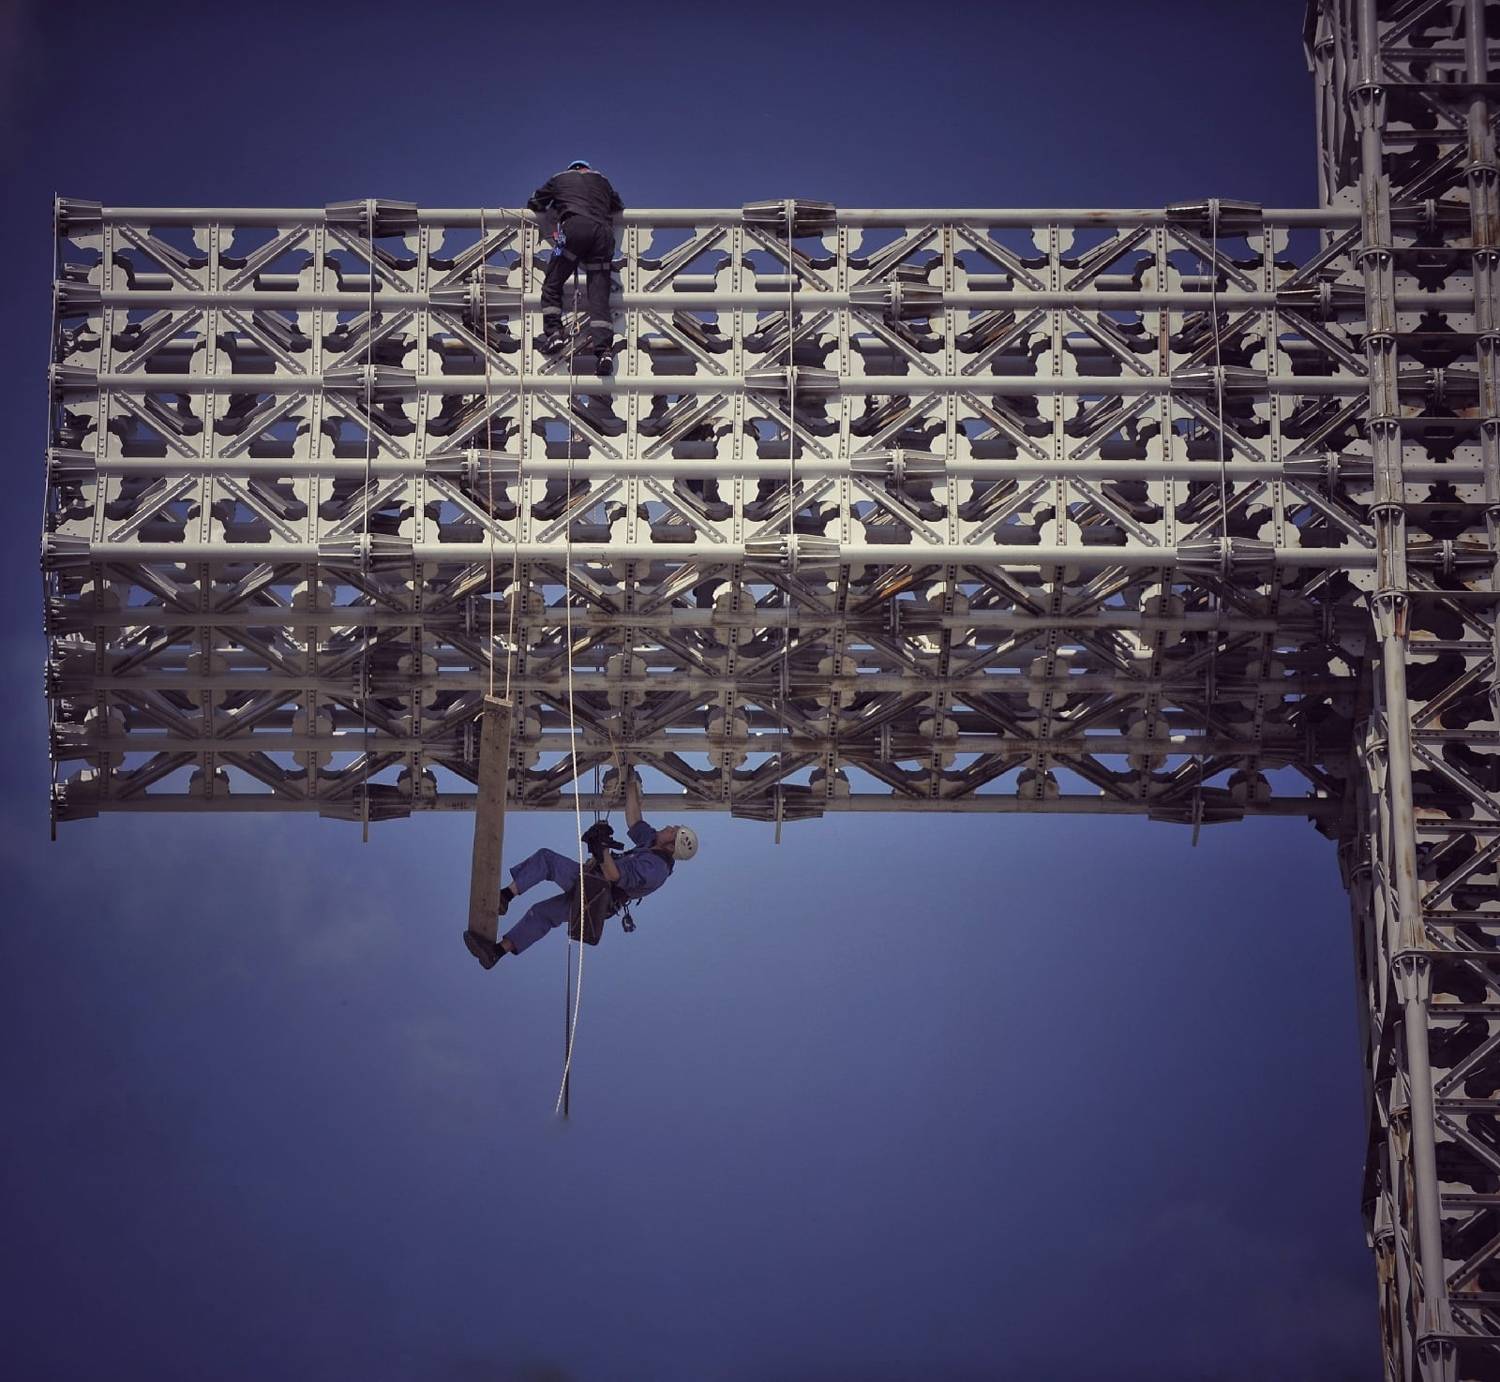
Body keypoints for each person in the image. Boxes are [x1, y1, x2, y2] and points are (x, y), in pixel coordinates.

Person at [463, 770, 698, 969]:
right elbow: (635, 820)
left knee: (547, 861)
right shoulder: (650, 843)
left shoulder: (656, 868)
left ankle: (504, 897)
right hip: (594, 893)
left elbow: (615, 876)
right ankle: (495, 953)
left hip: (597, 892)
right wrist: (630, 782)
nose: (668, 827)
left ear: (671, 846)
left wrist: (601, 848)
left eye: (672, 831)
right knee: (542, 914)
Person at [527, 159, 624, 370]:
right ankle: (604, 352)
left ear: (572, 169)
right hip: (603, 236)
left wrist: (556, 208)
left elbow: (535, 202)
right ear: (587, 168)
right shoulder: (602, 180)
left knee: (552, 281)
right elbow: (618, 206)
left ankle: (554, 334)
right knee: (599, 295)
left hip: (573, 230)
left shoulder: (559, 178)